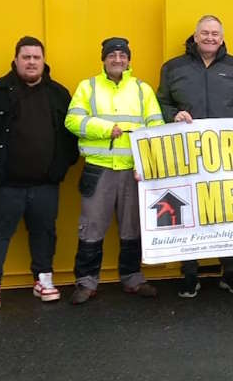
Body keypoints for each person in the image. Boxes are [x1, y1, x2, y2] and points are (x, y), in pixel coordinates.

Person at [0, 36, 79, 310]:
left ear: (44, 61)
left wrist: (59, 168)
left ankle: (43, 279)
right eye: (26, 57)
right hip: (4, 184)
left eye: (36, 57)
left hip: (45, 184)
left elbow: (71, 135)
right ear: (16, 60)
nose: (31, 62)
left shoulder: (58, 94)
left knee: (44, 232)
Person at [157, 15, 233, 298]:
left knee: (228, 211)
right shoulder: (173, 68)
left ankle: (230, 272)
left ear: (222, 37)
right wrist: (172, 115)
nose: (210, 38)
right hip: (186, 153)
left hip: (227, 154)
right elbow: (161, 102)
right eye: (205, 33)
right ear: (195, 35)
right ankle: (190, 274)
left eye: (215, 33)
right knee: (188, 211)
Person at [65, 37, 166, 304]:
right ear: (104, 59)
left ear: (129, 59)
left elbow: (156, 126)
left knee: (132, 227)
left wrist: (146, 165)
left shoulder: (142, 89)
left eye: (122, 55)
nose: (118, 59)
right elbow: (72, 120)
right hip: (98, 168)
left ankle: (133, 278)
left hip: (133, 171)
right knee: (91, 227)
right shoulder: (88, 87)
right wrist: (105, 129)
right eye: (112, 55)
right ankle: (86, 282)